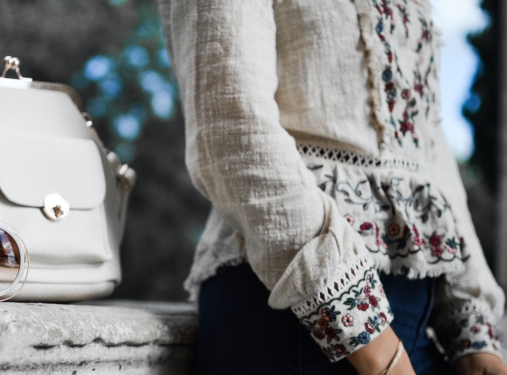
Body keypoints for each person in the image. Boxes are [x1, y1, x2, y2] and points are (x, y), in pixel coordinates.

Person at [157, 0, 507, 374]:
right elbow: (230, 127)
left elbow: (427, 150)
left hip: (415, 329)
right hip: (296, 318)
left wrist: (469, 325)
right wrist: (366, 333)